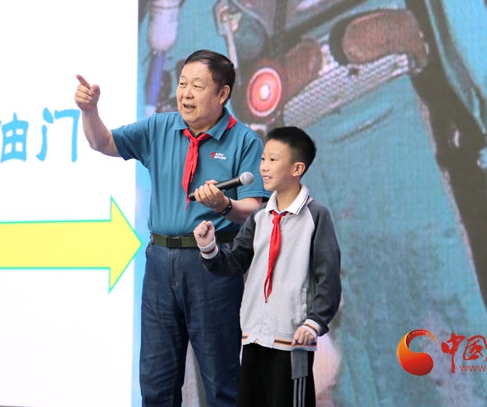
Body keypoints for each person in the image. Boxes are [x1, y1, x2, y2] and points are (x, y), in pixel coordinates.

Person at [74, 49, 268, 407]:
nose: (186, 94)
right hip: (160, 263)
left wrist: (224, 205)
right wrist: (90, 112)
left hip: (214, 263)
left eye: (197, 86)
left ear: (222, 94)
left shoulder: (244, 141)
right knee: (155, 384)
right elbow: (102, 142)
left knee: (222, 384)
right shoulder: (158, 128)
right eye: (182, 84)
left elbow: (255, 210)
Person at [193, 126, 342, 407]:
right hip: (254, 337)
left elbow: (329, 279)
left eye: (273, 160)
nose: (263, 167)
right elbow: (235, 263)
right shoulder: (259, 217)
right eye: (263, 159)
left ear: (297, 168)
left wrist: (314, 323)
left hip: (292, 340)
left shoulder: (316, 216)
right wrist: (209, 247)